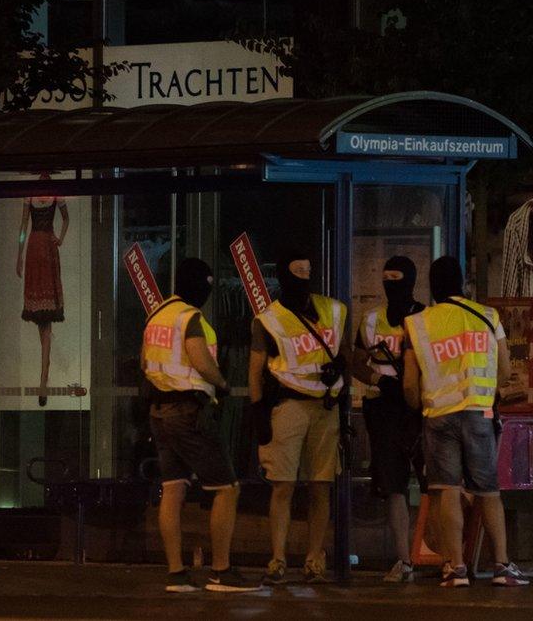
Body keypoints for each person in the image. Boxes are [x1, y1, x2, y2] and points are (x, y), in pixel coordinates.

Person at [402, 256, 528, 587]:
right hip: (479, 414)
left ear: (432, 285)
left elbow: (409, 384)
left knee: (446, 490)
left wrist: (419, 407)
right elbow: (504, 371)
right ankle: (501, 566)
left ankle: (455, 568)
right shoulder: (488, 317)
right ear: (462, 283)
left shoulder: (418, 323)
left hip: (438, 416)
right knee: (488, 490)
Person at [141, 258, 258, 593]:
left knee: (173, 488)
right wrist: (222, 383)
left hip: (158, 412)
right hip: (187, 410)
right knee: (226, 488)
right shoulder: (190, 317)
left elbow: (144, 360)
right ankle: (221, 571)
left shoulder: (156, 316)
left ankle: (177, 574)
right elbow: (200, 359)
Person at [249, 249, 349, 585]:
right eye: (297, 274)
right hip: (288, 406)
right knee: (283, 486)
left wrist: (343, 368)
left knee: (320, 485)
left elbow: (344, 352)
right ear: (283, 276)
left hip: (325, 406)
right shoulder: (268, 319)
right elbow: (255, 370)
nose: (303, 280)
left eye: (307, 272)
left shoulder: (333, 311)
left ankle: (313, 559)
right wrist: (258, 411)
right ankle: (277, 559)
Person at [351, 256, 426, 583]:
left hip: (420, 408)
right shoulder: (370, 321)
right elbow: (355, 361)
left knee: (432, 486)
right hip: (384, 411)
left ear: (410, 281)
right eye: (386, 279)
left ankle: (439, 555)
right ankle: (404, 559)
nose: (390, 285)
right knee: (394, 486)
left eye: (397, 279)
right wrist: (377, 379)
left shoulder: (426, 317)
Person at [17, 195, 68, 407]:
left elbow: (23, 228)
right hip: (41, 248)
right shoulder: (38, 194)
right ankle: (43, 374)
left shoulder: (50, 194)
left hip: (41, 247)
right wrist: (19, 254)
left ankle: (43, 375)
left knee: (44, 319)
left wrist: (20, 253)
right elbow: (23, 228)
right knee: (42, 319)